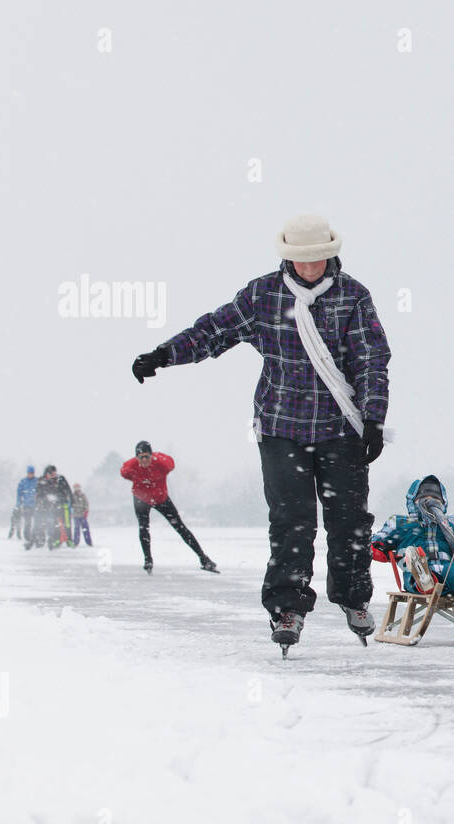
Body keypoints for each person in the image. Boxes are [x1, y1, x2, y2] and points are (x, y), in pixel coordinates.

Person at [130, 213, 390, 653]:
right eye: (302, 261)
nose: (311, 269)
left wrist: (374, 418)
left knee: (349, 521)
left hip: (341, 428)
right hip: (280, 427)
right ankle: (287, 607)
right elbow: (213, 331)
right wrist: (163, 354)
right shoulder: (263, 294)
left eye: (318, 260)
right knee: (291, 520)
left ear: (331, 255)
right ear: (287, 258)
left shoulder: (354, 297)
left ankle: (353, 597)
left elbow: (371, 361)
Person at [119, 442, 215, 574]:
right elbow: (124, 473)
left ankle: (204, 559)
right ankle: (148, 560)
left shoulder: (162, 463)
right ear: (137, 458)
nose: (144, 460)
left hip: (161, 498)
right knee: (143, 527)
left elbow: (171, 463)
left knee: (180, 527)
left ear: (152, 456)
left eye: (147, 456)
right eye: (141, 457)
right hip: (141, 499)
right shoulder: (130, 467)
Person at [11, 466, 37, 540]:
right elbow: (19, 494)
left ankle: (35, 536)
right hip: (26, 506)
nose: (30, 474)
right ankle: (27, 537)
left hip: (35, 505)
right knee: (27, 522)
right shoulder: (23, 482)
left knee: (37, 522)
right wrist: (19, 504)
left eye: (32, 473)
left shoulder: (37, 481)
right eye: (29, 473)